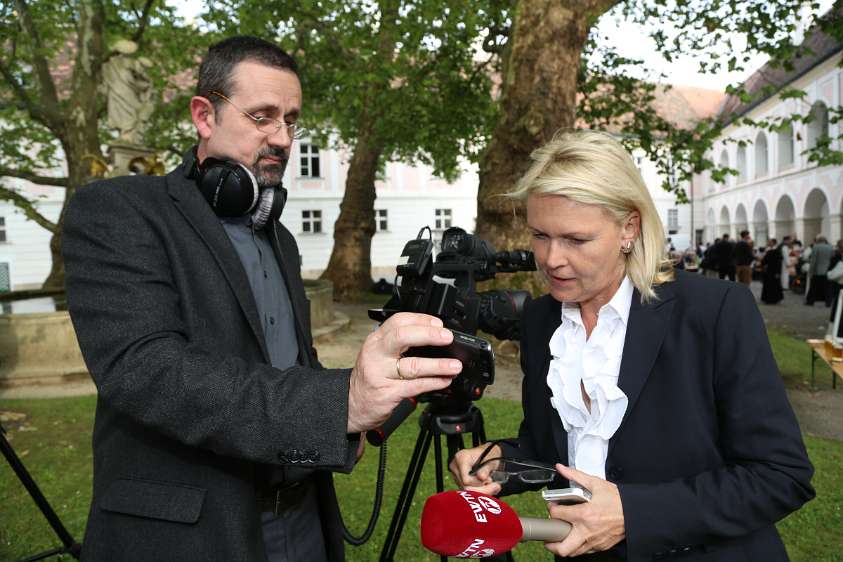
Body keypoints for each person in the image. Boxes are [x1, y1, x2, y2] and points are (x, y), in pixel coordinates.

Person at [62, 36, 463, 562]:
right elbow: (148, 369)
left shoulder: (281, 239)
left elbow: (293, 365)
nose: (282, 138)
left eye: (291, 120)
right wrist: (337, 404)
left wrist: (364, 406)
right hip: (194, 536)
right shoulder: (119, 211)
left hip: (305, 519)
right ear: (204, 116)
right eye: (262, 116)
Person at [449, 131, 814, 561]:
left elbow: (780, 475)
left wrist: (633, 514)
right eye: (540, 235)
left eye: (576, 239)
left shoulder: (714, 311)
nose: (551, 259)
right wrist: (502, 462)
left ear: (629, 227)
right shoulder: (541, 320)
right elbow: (556, 446)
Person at [805, 235, 833, 306]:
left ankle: (810, 301)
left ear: (818, 240)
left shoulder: (816, 247)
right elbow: (832, 258)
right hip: (827, 270)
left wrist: (811, 271)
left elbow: (813, 261)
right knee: (827, 288)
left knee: (813, 287)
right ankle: (828, 302)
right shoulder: (830, 247)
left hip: (817, 271)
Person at [761, 238, 784, 304]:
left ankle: (771, 299)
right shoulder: (771, 250)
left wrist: (778, 272)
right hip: (770, 270)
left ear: (773, 243)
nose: (768, 243)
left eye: (770, 242)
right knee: (772, 285)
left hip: (772, 270)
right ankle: (772, 299)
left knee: (772, 285)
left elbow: (778, 262)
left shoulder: (775, 251)